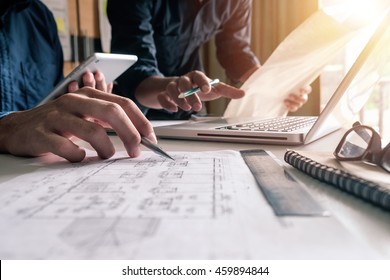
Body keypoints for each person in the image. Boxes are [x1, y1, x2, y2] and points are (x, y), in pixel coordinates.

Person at [0, 0, 156, 162]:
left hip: (42, 165)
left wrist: (77, 104)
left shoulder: (39, 16)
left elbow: (50, 105)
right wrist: (7, 127)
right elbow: (27, 121)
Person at [107, 0, 311, 120]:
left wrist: (275, 84)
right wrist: (171, 86)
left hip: (191, 101)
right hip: (134, 106)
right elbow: (136, 66)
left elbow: (235, 50)